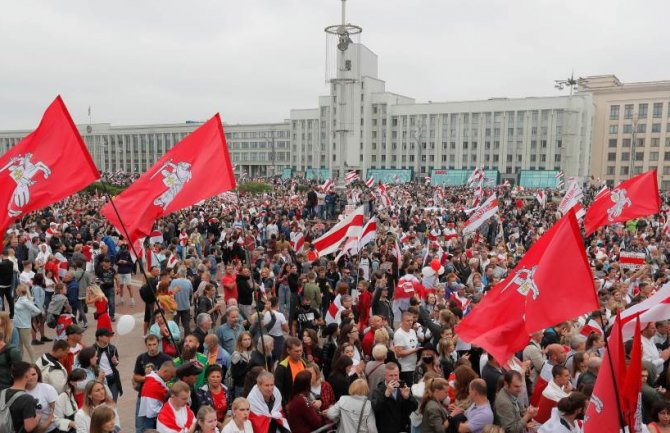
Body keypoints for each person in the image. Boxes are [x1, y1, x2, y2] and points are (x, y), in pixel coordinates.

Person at [133, 335, 174, 433]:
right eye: (149, 345)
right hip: (143, 396)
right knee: (139, 425)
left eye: (154, 344)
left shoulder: (166, 358)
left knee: (156, 426)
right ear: (146, 345)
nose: (152, 347)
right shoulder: (141, 358)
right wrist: (148, 378)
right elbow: (135, 376)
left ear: (158, 344)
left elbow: (172, 377)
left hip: (160, 397)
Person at [370, 362, 418, 433]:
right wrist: (385, 395)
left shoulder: (403, 386)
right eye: (391, 375)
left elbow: (414, 407)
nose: (394, 378)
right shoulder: (379, 390)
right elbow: (376, 408)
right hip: (386, 429)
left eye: (396, 375)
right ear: (385, 376)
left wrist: (407, 398)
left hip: (403, 429)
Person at [3, 361, 44, 433]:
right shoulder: (27, 399)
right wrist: (38, 417)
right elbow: (29, 427)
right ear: (27, 376)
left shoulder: (3, 392)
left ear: (12, 375)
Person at [138, 360, 177, 432]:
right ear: (165, 372)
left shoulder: (155, 381)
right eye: (171, 376)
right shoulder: (153, 384)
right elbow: (152, 411)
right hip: (151, 421)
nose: (171, 379)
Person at [274, 336, 308, 406]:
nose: (299, 353)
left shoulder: (305, 362)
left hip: (305, 400)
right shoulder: (282, 367)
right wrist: (285, 404)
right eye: (296, 351)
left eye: (301, 350)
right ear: (288, 351)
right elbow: (278, 389)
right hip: (290, 403)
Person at [14, 283, 42, 362]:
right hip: (18, 325)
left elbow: (37, 311)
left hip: (24, 326)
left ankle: (33, 362)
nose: (16, 290)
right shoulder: (19, 298)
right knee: (19, 345)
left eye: (17, 289)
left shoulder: (25, 301)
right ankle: (20, 361)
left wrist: (29, 316)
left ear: (20, 291)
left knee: (27, 345)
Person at [54, 368, 87, 433]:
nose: (84, 381)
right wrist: (71, 423)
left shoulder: (90, 393)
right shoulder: (63, 397)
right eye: (81, 380)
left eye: (85, 379)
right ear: (72, 382)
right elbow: (56, 420)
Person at [394, 311, 419, 385]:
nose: (410, 322)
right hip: (405, 369)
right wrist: (414, 350)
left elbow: (414, 345)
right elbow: (399, 353)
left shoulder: (412, 331)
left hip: (414, 367)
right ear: (402, 321)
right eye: (408, 320)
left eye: (411, 320)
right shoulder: (399, 334)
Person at [230, 332, 253, 398]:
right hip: (240, 386)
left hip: (250, 385)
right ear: (240, 341)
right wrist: (248, 367)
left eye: (249, 339)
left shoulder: (252, 352)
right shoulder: (236, 355)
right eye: (245, 340)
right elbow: (234, 373)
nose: (247, 341)